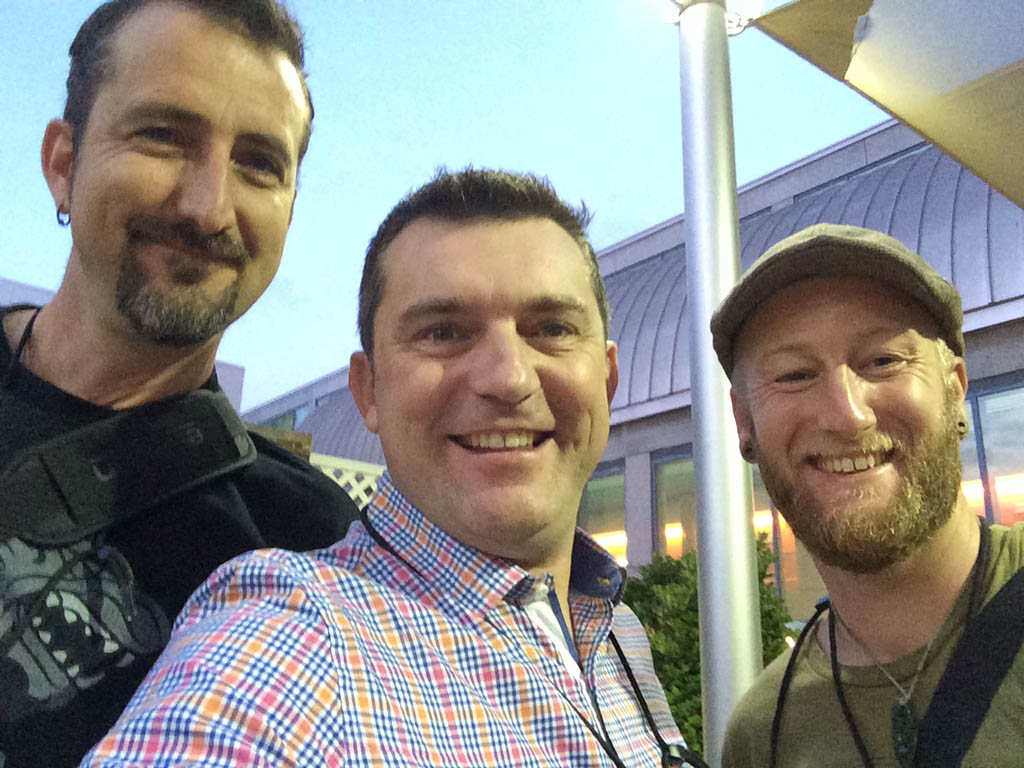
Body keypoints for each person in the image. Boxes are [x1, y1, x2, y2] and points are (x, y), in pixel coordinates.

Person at [80, 168, 704, 767]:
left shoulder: (615, 629)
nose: (509, 377)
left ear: (607, 379)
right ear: (369, 390)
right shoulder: (290, 640)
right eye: (443, 332)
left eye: (551, 328)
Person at [0, 2, 359, 766]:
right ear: (63, 163)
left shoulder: (315, 550)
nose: (207, 208)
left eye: (259, 164)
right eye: (163, 136)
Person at [710, 223, 1024, 768]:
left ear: (955, 389)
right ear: (744, 423)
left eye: (883, 361)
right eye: (794, 375)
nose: (847, 415)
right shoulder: (763, 736)